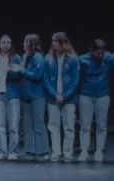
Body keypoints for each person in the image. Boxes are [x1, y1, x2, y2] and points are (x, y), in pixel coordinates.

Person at [44, 32, 79, 162]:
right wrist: (55, 95)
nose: (54, 43)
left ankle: (68, 153)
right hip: (53, 98)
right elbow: (46, 79)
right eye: (53, 41)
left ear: (63, 43)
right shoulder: (48, 58)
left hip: (68, 99)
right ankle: (56, 152)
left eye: (57, 41)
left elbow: (76, 79)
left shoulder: (73, 58)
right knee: (53, 126)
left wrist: (65, 95)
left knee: (69, 126)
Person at [78, 39, 113, 162]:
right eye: (97, 53)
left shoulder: (108, 58)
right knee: (85, 125)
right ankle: (84, 150)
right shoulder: (83, 60)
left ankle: (99, 150)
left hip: (102, 95)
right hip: (86, 95)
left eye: (102, 53)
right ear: (91, 50)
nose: (100, 55)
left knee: (101, 125)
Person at [0, 34, 22, 160]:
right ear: (0, 43)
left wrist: (10, 71)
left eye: (8, 42)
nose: (6, 45)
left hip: (12, 95)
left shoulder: (16, 58)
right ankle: (2, 151)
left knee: (13, 126)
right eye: (4, 42)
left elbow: (19, 77)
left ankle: (12, 151)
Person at [19, 34, 49, 161]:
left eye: (25, 42)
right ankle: (29, 151)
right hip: (26, 95)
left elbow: (37, 76)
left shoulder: (38, 58)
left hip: (37, 95)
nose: (23, 44)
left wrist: (21, 70)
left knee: (38, 124)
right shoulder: (25, 57)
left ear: (31, 44)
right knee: (27, 125)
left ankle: (43, 151)